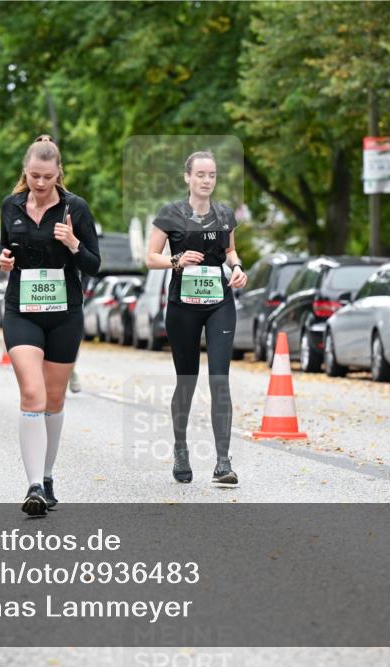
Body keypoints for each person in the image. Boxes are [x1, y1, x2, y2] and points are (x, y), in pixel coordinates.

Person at [0, 135, 101, 516]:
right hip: (21, 309)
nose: (40, 184)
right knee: (32, 393)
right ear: (25, 173)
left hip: (64, 312)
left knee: (54, 400)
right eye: (34, 176)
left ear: (59, 174)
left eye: (47, 177)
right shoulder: (11, 206)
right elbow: (5, 249)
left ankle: (48, 473)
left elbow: (94, 264)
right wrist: (3, 260)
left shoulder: (76, 208)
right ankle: (34, 485)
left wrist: (74, 243)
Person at [145, 150, 248, 485]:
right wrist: (176, 260)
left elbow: (230, 251)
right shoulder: (171, 213)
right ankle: (180, 449)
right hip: (183, 305)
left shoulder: (223, 214)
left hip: (219, 301)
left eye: (212, 175)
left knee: (220, 378)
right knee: (186, 380)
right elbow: (150, 258)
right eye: (201, 174)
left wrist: (237, 268)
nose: (207, 180)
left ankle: (223, 462)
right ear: (187, 177)